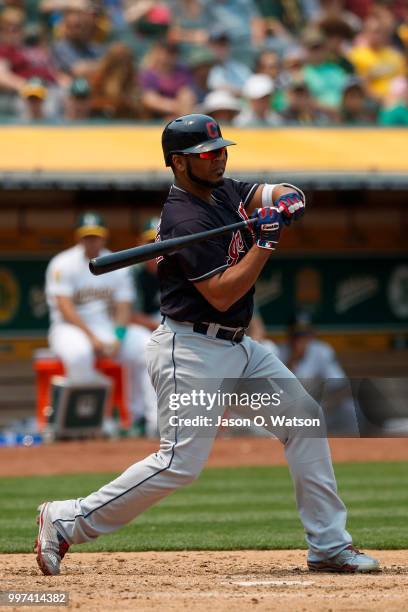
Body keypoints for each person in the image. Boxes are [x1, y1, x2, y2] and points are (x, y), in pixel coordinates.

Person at [35, 114, 379, 577]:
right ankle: (65, 519)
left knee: (305, 419)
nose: (218, 159)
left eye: (221, 151)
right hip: (192, 349)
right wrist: (265, 242)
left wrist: (288, 199)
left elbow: (270, 191)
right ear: (179, 163)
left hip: (240, 348)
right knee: (180, 463)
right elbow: (223, 293)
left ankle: (329, 545)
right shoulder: (183, 218)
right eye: (206, 154)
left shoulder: (222, 189)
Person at [44, 211, 156, 436]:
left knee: (147, 347)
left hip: (106, 326)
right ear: (78, 237)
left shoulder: (116, 262)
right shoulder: (62, 263)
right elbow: (65, 308)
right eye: (87, 236)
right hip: (69, 328)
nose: (91, 241)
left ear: (104, 237)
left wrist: (119, 336)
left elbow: (123, 306)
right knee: (79, 355)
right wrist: (92, 337)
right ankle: (98, 418)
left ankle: (147, 419)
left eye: (95, 236)